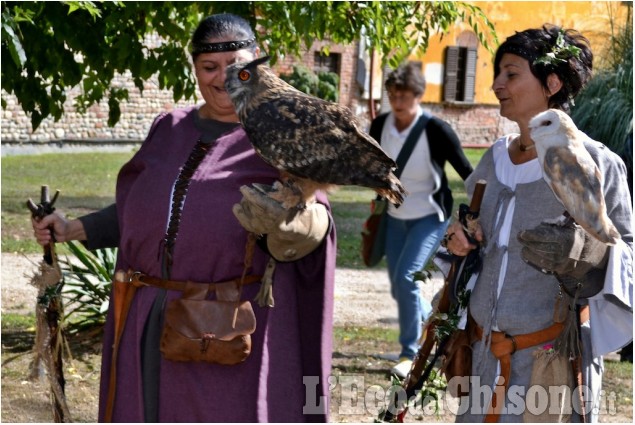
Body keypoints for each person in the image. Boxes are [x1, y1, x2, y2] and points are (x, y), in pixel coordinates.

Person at [31, 13, 336, 422]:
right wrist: (72, 229)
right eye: (210, 67)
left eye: (236, 66)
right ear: (194, 68)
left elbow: (315, 220)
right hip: (151, 319)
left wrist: (299, 223)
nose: (223, 78)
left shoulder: (282, 137)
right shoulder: (168, 129)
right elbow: (145, 209)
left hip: (229, 327)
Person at [443, 24, 633, 422]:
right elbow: (467, 229)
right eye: (497, 74)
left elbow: (627, 259)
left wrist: (586, 253)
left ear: (551, 82)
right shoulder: (492, 160)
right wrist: (460, 237)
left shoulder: (598, 162)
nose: (496, 85)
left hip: (551, 368)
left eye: (511, 74)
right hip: (483, 359)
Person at [368, 62, 473, 378]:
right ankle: (439, 334)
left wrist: (480, 210)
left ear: (417, 96)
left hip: (429, 216)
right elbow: (371, 166)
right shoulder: (380, 125)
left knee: (407, 278)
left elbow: (467, 171)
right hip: (394, 216)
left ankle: (410, 354)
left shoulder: (436, 130)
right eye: (393, 96)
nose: (398, 104)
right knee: (400, 287)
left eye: (405, 97)